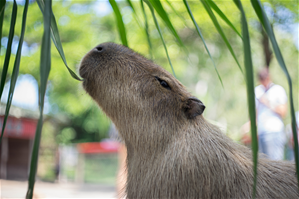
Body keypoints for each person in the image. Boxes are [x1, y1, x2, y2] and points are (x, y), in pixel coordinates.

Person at [254, 68, 288, 160]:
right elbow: (255, 113)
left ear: (269, 77)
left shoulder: (278, 90)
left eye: (265, 78)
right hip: (261, 132)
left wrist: (267, 102)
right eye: (261, 78)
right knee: (263, 164)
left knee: (275, 162)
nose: (264, 81)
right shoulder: (257, 91)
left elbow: (283, 111)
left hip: (274, 131)